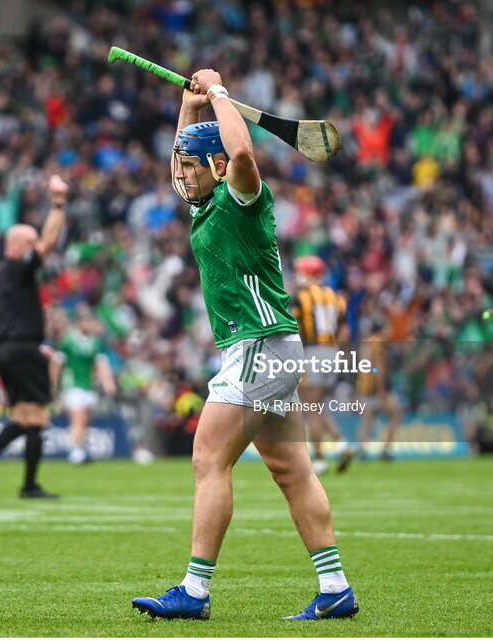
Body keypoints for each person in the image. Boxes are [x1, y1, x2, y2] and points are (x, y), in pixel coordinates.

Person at [131, 69, 358, 621]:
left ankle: (195, 590)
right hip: (271, 349)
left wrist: (222, 95)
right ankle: (335, 588)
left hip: (258, 348)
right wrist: (191, 108)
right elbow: (190, 160)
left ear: (215, 168)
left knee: (209, 458)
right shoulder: (205, 204)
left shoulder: (242, 197)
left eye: (190, 166)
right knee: (292, 471)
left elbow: (243, 155)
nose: (180, 175)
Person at [0, 174, 69, 499]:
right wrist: (58, 203)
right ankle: (28, 485)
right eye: (31, 241)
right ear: (19, 246)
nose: (36, 246)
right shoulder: (16, 268)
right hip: (22, 349)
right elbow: (48, 244)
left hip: (6, 351)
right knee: (37, 416)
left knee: (24, 416)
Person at [289, 255, 353, 475]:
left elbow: (295, 329)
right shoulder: (336, 296)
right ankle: (341, 443)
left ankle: (319, 459)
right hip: (332, 352)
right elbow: (345, 332)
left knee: (310, 408)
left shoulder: (301, 297)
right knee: (318, 404)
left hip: (312, 351)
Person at [55, 309, 117, 465]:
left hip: (88, 386)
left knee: (86, 419)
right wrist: (54, 385)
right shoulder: (68, 341)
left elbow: (100, 365)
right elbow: (57, 364)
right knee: (79, 417)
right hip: (73, 385)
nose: (89, 325)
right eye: (86, 321)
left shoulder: (95, 343)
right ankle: (76, 452)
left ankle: (80, 448)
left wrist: (107, 382)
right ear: (79, 323)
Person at [354, 315, 402, 461]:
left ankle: (361, 449)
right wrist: (381, 388)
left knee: (367, 420)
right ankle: (386, 450)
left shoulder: (365, 344)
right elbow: (377, 367)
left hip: (364, 388)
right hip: (376, 388)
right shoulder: (379, 343)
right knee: (396, 415)